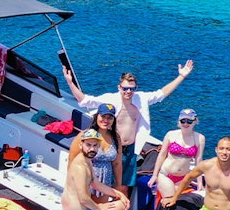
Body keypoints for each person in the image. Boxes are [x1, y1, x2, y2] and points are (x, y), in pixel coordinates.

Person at [63, 60, 194, 202]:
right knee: (101, 184)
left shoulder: (141, 99)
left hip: (131, 150)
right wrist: (70, 82)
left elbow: (161, 94)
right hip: (112, 148)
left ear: (136, 88)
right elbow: (84, 101)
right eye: (125, 88)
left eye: (132, 88)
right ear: (119, 87)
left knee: (124, 188)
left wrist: (181, 77)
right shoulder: (110, 99)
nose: (128, 92)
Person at [60, 129, 130, 210]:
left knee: (121, 200)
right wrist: (99, 207)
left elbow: (96, 184)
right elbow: (83, 199)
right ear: (81, 145)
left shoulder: (86, 161)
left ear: (99, 147)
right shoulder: (80, 168)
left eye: (95, 145)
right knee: (123, 205)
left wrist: (119, 194)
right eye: (88, 145)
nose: (92, 149)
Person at [68, 102, 123, 202]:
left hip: (105, 182)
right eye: (103, 116)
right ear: (97, 116)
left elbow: (117, 164)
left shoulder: (116, 138)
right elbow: (72, 159)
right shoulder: (84, 135)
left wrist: (118, 185)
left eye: (110, 118)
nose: (106, 120)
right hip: (86, 179)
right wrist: (71, 183)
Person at [149, 108, 205, 202]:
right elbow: (162, 155)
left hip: (184, 177)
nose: (186, 124)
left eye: (189, 121)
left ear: (195, 121)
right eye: (183, 121)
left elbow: (198, 161)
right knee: (170, 200)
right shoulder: (171, 135)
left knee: (180, 205)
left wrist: (200, 182)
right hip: (166, 174)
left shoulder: (200, 138)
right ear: (179, 122)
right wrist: (154, 175)